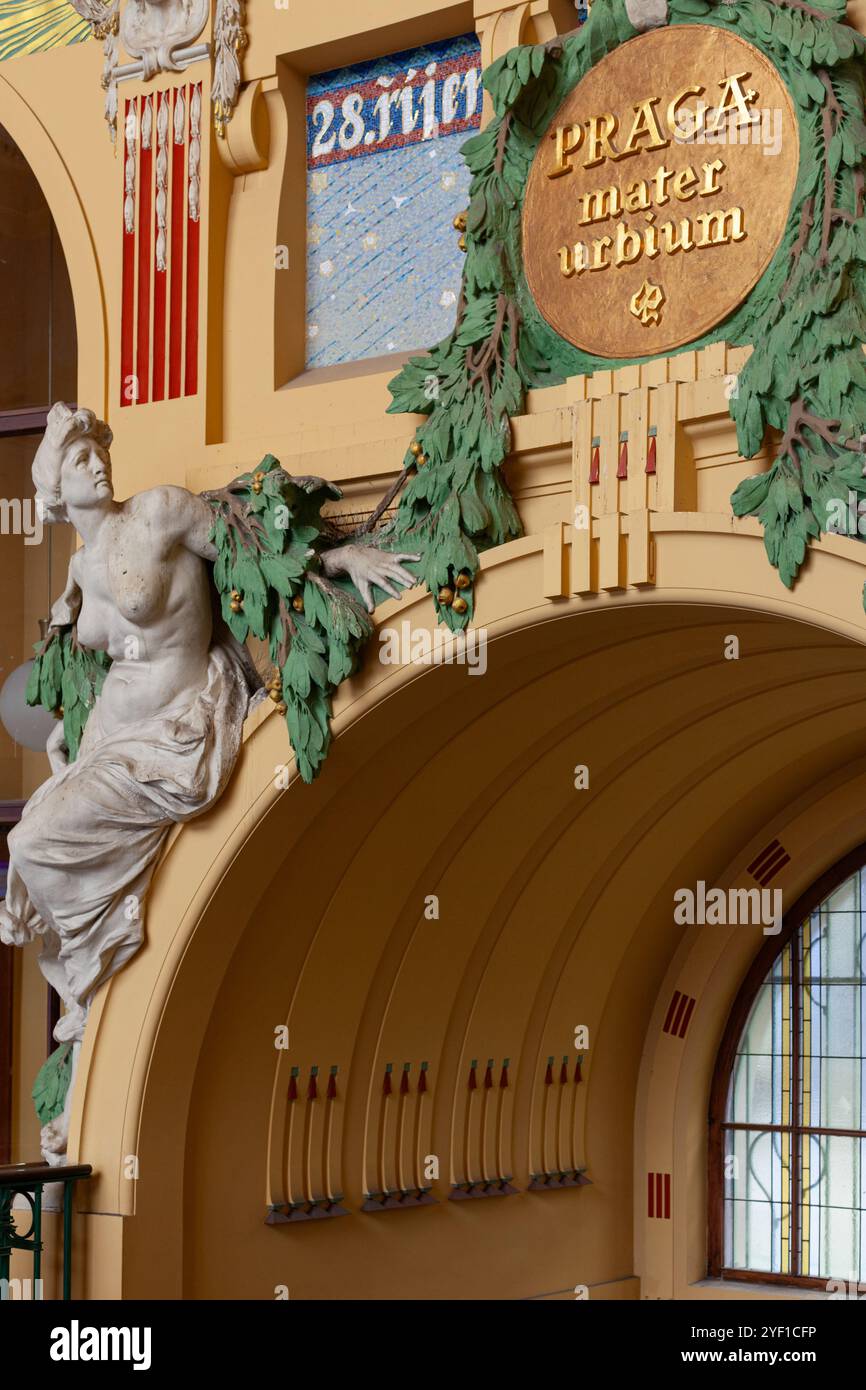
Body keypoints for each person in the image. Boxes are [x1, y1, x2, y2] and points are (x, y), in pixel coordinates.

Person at [0, 402, 417, 1159]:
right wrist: (69, 730)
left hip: (173, 735)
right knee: (29, 848)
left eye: (98, 447)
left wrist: (337, 559)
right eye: (77, 457)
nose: (96, 461)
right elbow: (108, 652)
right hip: (109, 740)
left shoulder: (158, 513)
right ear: (56, 490)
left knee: (31, 841)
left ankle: (96, 973)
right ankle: (92, 983)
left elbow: (250, 549)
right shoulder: (82, 566)